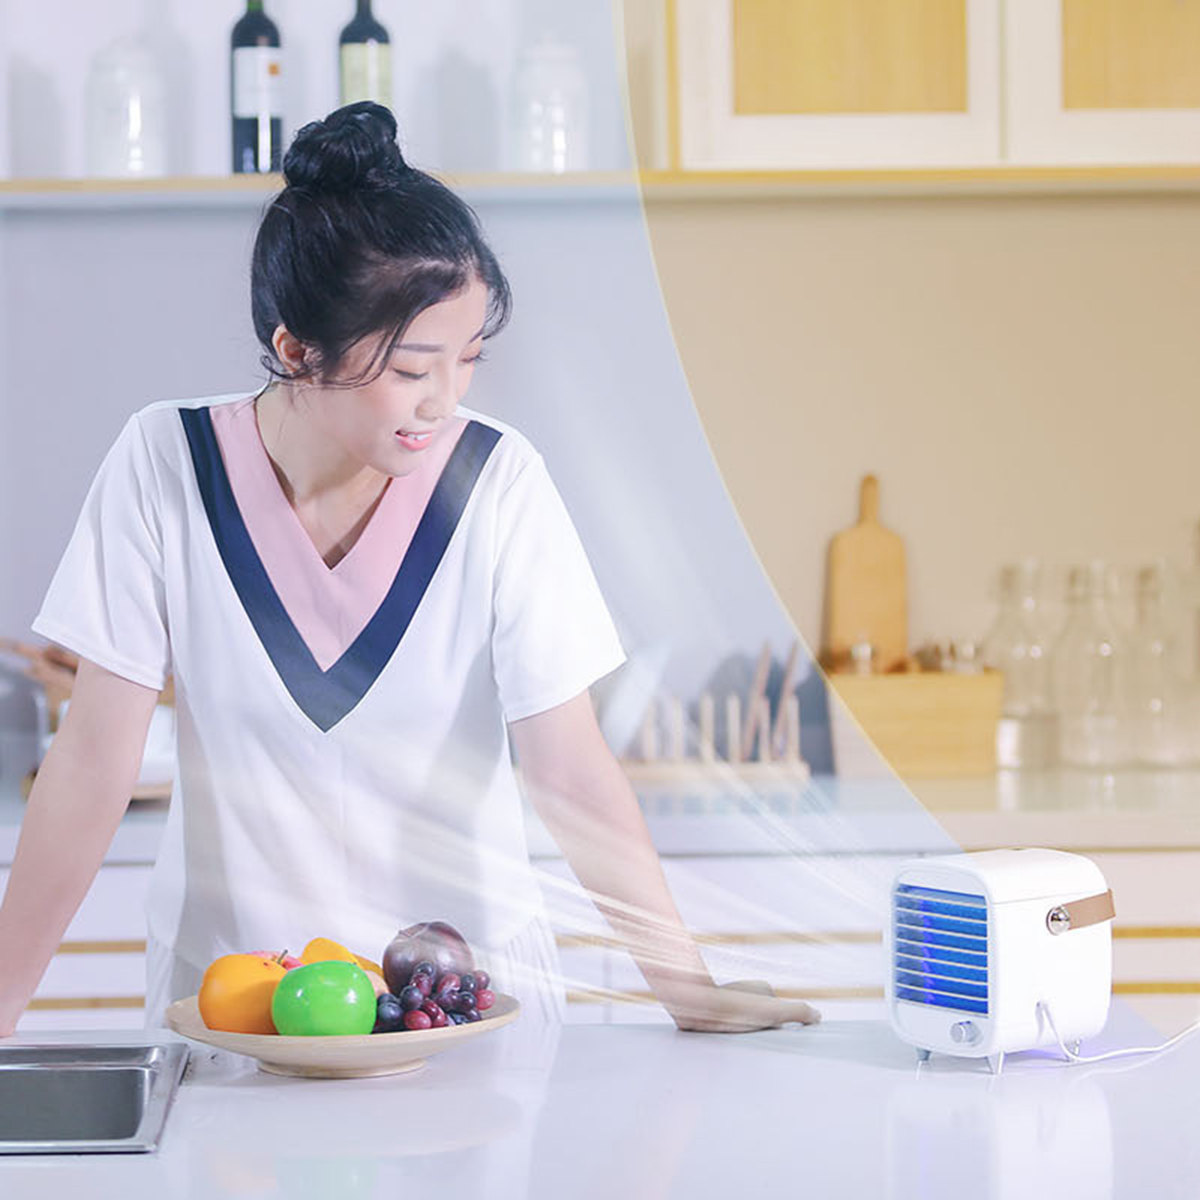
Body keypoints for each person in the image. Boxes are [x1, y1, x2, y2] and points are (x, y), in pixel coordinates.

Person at [0, 103, 819, 1037]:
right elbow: (92, 764)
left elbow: (568, 770)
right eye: (413, 367)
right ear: (296, 350)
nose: (445, 400)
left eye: (466, 360)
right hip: (235, 1011)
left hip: (467, 1015)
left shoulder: (499, 481)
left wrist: (688, 988)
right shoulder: (163, 464)